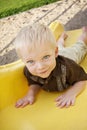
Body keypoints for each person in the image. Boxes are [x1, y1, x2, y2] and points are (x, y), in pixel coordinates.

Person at [14, 23, 87, 108]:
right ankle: (60, 40)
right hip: (55, 52)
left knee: (80, 47)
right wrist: (31, 94)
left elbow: (82, 79)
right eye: (31, 61)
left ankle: (84, 35)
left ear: (56, 52)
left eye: (45, 57)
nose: (40, 67)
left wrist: (71, 93)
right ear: (23, 61)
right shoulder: (28, 71)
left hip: (68, 55)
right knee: (58, 46)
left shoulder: (67, 67)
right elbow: (34, 82)